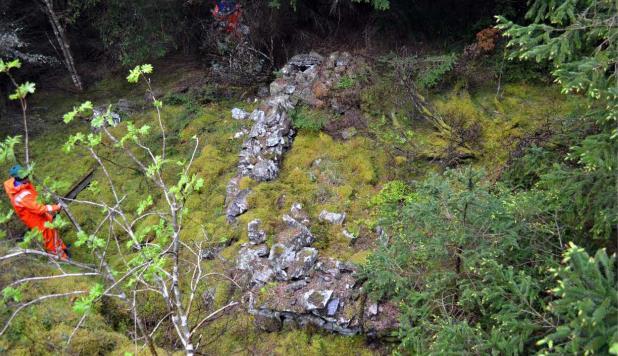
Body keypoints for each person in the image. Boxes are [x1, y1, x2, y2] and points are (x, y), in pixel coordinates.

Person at [3, 165, 68, 260]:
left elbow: (34, 197)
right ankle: (61, 258)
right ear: (19, 178)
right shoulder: (21, 196)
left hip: (39, 215)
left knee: (53, 231)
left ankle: (62, 248)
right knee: (49, 237)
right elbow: (38, 208)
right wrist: (56, 207)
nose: (28, 177)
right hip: (35, 219)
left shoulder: (22, 184)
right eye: (25, 176)